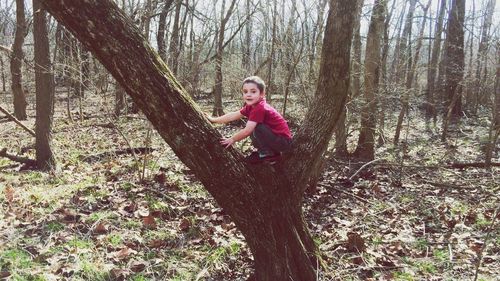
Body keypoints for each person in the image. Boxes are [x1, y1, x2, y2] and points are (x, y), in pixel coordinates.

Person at [207, 76, 292, 164]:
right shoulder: (251, 107)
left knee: (256, 126)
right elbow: (233, 115)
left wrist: (232, 139)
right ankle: (266, 152)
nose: (248, 94)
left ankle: (268, 155)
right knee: (254, 126)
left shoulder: (260, 108)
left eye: (253, 91)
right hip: (276, 140)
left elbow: (247, 131)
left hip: (283, 142)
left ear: (262, 94)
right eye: (245, 92)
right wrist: (214, 120)